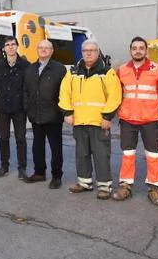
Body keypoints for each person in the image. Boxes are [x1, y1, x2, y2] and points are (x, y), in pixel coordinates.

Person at [60, 39, 121, 200]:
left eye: (92, 50)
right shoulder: (72, 72)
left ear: (97, 52)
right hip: (79, 121)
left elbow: (115, 96)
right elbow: (64, 92)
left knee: (101, 154)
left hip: (99, 122)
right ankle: (84, 182)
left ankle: (104, 185)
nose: (88, 53)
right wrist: (67, 112)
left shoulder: (107, 72)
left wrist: (107, 117)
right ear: (82, 52)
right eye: (85, 50)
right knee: (82, 154)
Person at [112, 37, 158, 205]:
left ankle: (154, 188)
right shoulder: (121, 70)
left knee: (153, 155)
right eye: (134, 48)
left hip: (150, 119)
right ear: (130, 50)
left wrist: (153, 107)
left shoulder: (157, 69)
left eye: (141, 48)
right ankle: (125, 185)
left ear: (146, 50)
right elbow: (117, 93)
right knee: (128, 154)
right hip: (127, 119)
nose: (138, 51)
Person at [22, 39, 67, 189]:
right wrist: (27, 107)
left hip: (53, 115)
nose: (43, 50)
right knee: (37, 145)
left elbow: (65, 93)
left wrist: (62, 111)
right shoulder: (30, 69)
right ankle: (39, 173)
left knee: (56, 147)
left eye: (47, 48)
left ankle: (56, 176)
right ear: (37, 50)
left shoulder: (59, 69)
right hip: (35, 114)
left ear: (52, 51)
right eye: (40, 47)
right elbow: (25, 91)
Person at [0, 36, 30, 179]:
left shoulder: (25, 65)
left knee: (21, 138)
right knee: (4, 138)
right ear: (3, 48)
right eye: (7, 45)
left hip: (19, 108)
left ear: (17, 46)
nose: (10, 47)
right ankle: (4, 166)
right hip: (3, 108)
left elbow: (28, 86)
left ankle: (22, 167)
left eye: (13, 44)